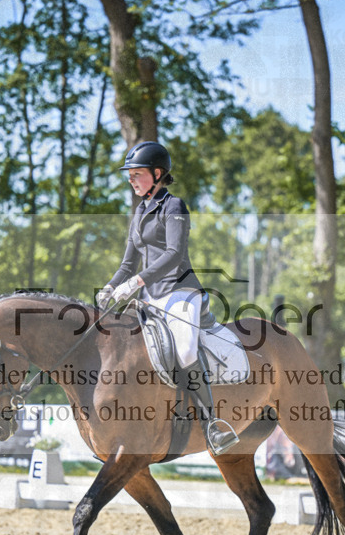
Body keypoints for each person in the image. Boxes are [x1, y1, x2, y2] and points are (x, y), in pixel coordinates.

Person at [97, 141, 239, 455]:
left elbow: (174, 254)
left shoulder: (174, 207)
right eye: (129, 175)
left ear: (158, 173)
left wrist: (136, 281)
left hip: (181, 292)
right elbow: (127, 264)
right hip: (150, 297)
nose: (131, 180)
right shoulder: (139, 212)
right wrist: (109, 288)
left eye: (137, 174)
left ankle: (212, 423)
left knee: (186, 351)